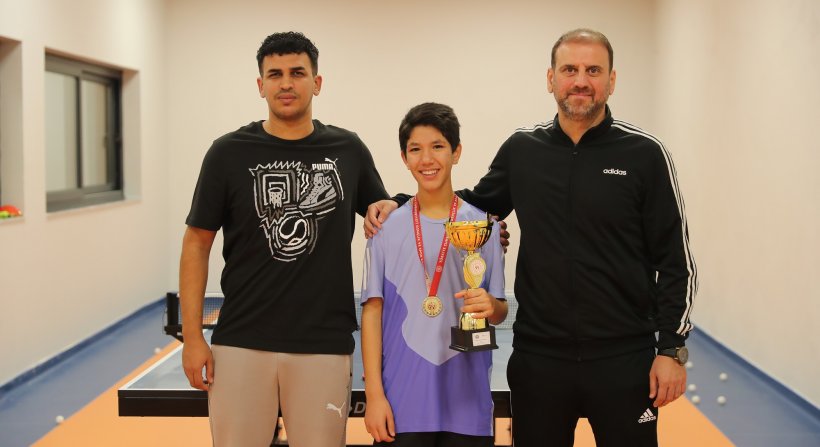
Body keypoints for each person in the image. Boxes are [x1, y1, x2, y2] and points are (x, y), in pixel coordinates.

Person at [365, 29, 698, 447]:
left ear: (612, 80)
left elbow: (677, 263)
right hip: (541, 359)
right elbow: (475, 203)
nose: (581, 81)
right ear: (550, 78)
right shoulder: (524, 149)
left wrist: (671, 350)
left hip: (623, 357)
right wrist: (400, 203)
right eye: (569, 70)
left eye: (593, 70)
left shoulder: (645, 153)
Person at [179, 31, 391, 446]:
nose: (286, 83)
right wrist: (192, 337)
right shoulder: (227, 153)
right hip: (241, 342)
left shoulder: (348, 150)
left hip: (323, 344)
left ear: (317, 82)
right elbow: (196, 243)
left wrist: (396, 205)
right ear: (261, 85)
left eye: (297, 72)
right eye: (275, 74)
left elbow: (382, 212)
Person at [360, 102, 508, 447]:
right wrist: (374, 395)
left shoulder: (484, 227)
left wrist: (490, 305)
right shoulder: (383, 230)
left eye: (438, 146)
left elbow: (500, 310)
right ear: (404, 157)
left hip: (467, 406)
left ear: (456, 152)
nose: (427, 159)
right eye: (416, 149)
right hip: (401, 403)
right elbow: (372, 312)